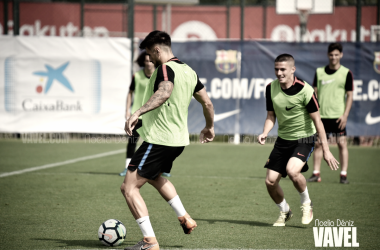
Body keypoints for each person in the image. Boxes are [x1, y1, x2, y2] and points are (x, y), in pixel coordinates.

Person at [120, 30, 215, 250]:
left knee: (129, 188)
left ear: (157, 50)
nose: (149, 59)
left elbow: (164, 93)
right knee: (155, 177)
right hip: (177, 141)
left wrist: (137, 113)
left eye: (149, 53)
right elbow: (208, 104)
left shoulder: (165, 68)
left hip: (160, 140)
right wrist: (209, 127)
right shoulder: (189, 71)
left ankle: (149, 242)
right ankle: (185, 218)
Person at [258, 54, 339, 227]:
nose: (279, 73)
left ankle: (307, 204)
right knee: (270, 181)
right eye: (276, 69)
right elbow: (270, 116)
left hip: (304, 138)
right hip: (283, 140)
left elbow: (318, 121)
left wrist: (326, 150)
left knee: (293, 171)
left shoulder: (305, 90)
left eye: (283, 69)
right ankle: (285, 211)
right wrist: (265, 132)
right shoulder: (270, 88)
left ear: (293, 69)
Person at [307, 43, 353, 184]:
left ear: (341, 55)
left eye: (336, 54)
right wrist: (314, 113)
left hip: (338, 116)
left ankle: (343, 174)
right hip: (321, 116)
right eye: (331, 54)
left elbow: (350, 95)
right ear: (328, 55)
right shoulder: (319, 72)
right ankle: (316, 173)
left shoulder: (346, 73)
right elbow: (314, 93)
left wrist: (345, 115)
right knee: (319, 144)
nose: (333, 57)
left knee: (342, 144)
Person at [119, 51, 155, 177]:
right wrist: (127, 109)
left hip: (152, 115)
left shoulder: (159, 75)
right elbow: (130, 92)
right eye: (146, 61)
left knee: (157, 142)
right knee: (132, 141)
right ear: (142, 62)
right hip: (137, 115)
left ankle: (161, 169)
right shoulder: (137, 76)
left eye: (151, 61)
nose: (149, 63)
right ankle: (127, 168)